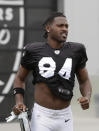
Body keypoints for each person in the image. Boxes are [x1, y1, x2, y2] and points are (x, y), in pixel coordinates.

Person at [12, 12, 92, 131]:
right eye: (60, 25)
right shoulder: (34, 50)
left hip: (65, 116)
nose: (65, 29)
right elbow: (20, 78)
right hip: (42, 116)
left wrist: (87, 97)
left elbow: (84, 80)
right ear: (48, 28)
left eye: (66, 26)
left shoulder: (77, 50)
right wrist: (19, 102)